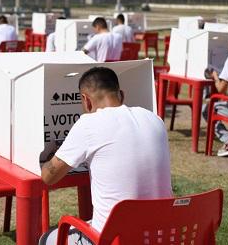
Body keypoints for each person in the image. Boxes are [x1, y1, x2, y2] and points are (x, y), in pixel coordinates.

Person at [39, 67, 173, 245]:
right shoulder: (154, 118)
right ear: (121, 95)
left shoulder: (88, 123)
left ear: (86, 101)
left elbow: (49, 177)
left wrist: (53, 157)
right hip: (163, 236)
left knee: (46, 239)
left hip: (115, 239)